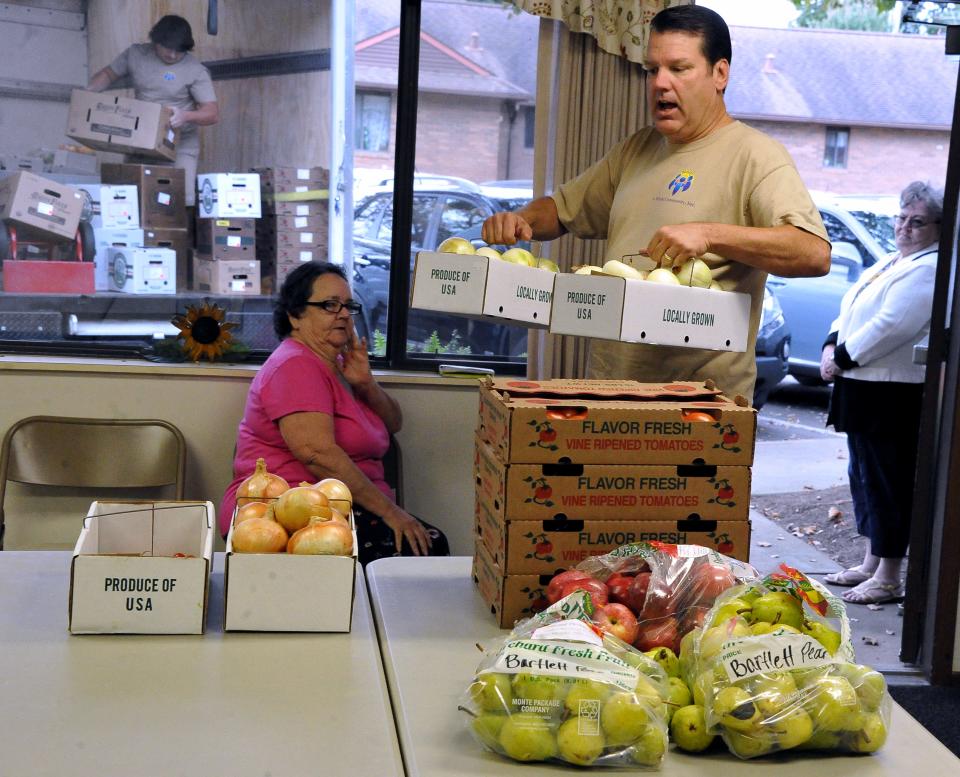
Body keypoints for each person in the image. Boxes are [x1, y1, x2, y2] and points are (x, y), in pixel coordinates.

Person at [481, 5, 831, 400]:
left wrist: (709, 235)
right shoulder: (638, 148)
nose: (660, 83)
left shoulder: (757, 156)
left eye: (679, 69)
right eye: (653, 70)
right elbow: (562, 209)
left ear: (720, 73)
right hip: (609, 392)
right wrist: (520, 220)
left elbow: (813, 253)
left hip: (699, 404)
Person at [220, 261, 450, 565]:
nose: (343, 314)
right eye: (330, 305)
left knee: (428, 547)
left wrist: (366, 383)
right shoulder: (295, 365)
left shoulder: (340, 365)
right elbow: (318, 454)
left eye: (347, 305)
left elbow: (394, 423)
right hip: (290, 514)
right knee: (425, 550)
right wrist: (392, 513)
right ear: (295, 315)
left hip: (340, 508)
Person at [821, 181, 941, 604]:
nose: (905, 228)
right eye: (901, 218)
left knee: (887, 483)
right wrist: (830, 344)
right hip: (863, 389)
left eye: (918, 222)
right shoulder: (894, 261)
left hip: (891, 395)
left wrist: (844, 357)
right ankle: (871, 562)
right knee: (864, 478)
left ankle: (889, 576)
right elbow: (850, 305)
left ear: (938, 228)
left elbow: (892, 325)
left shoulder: (930, 269)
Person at [87, 14, 219, 207]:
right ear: (155, 41)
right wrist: (88, 93)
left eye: (179, 51)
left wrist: (186, 116)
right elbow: (108, 74)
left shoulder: (195, 70)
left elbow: (212, 112)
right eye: (168, 48)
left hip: (179, 145)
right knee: (131, 197)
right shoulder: (136, 55)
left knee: (179, 201)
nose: (173, 55)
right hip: (141, 141)